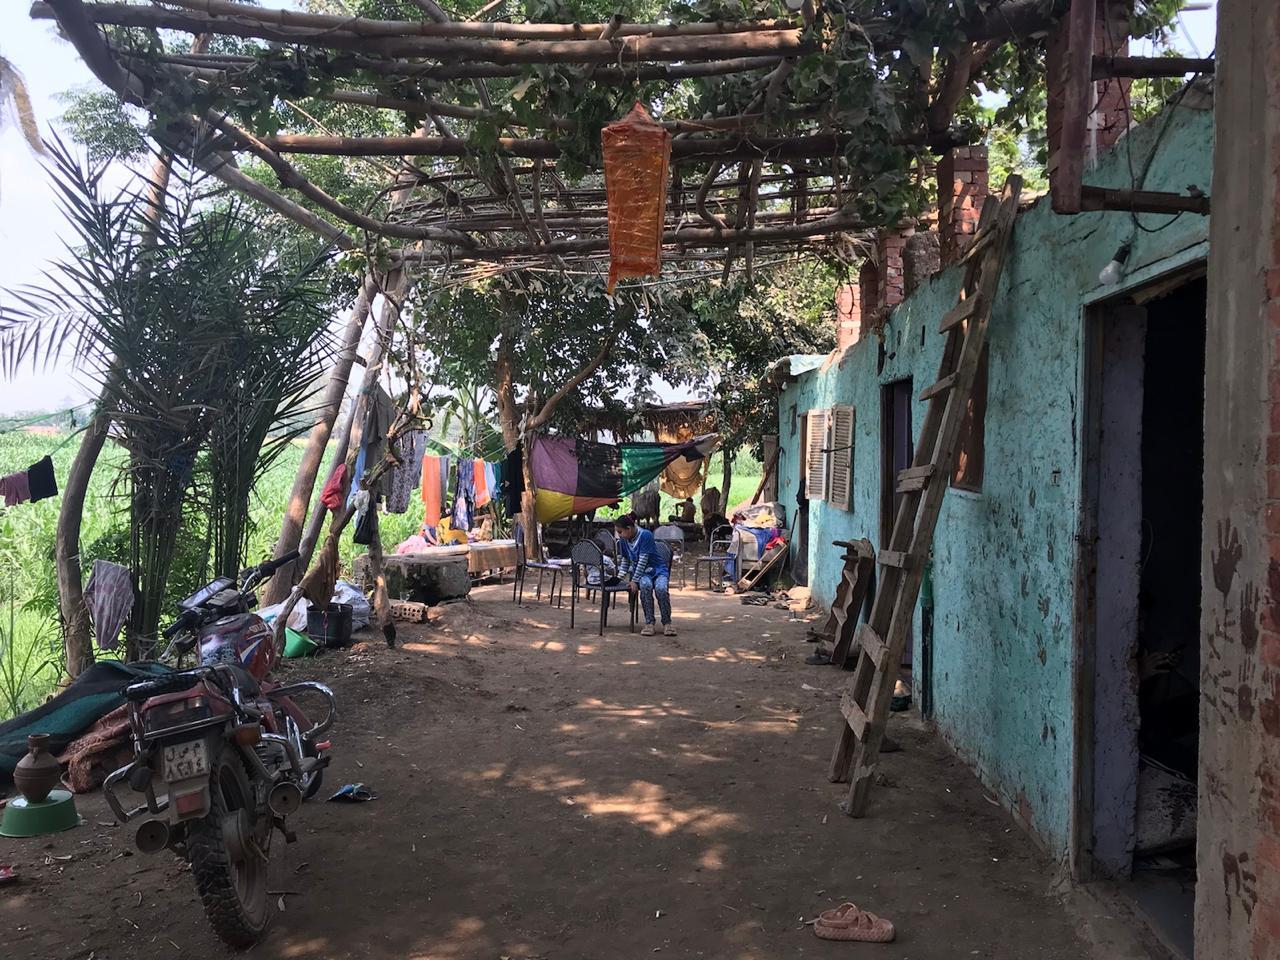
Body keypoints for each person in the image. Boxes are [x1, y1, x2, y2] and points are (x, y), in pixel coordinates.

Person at [614, 513, 676, 637]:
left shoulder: (645, 535)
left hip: (658, 570)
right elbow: (625, 560)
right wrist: (618, 578)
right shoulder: (623, 540)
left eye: (620, 532)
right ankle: (649, 623)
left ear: (629, 529)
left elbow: (643, 560)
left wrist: (634, 580)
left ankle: (667, 623)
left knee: (661, 589)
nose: (619, 535)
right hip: (642, 573)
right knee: (646, 586)